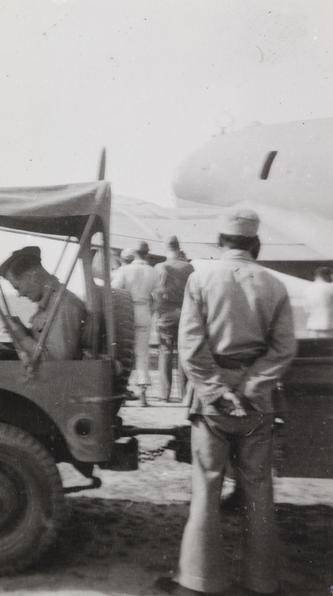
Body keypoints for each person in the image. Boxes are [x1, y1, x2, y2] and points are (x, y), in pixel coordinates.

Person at [157, 208, 296, 596]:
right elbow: (283, 349)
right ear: (256, 245)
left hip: (211, 404)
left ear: (221, 243)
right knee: (258, 490)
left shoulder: (201, 279)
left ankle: (200, 582)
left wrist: (217, 391)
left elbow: (190, 346)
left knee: (207, 487)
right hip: (258, 404)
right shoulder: (275, 285)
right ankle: (262, 582)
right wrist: (251, 385)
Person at [111, 240, 158, 405]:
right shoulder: (153, 271)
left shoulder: (124, 270)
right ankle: (143, 395)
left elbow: (115, 290)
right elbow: (159, 297)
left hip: (127, 312)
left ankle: (122, 390)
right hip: (144, 310)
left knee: (124, 352)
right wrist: (151, 311)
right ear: (147, 253)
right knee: (142, 354)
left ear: (134, 253)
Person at [153, 236, 194, 402]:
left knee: (165, 351)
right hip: (185, 312)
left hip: (165, 313)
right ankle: (184, 394)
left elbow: (157, 291)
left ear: (165, 248)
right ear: (179, 247)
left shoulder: (160, 267)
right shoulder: (189, 267)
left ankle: (165, 394)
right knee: (184, 353)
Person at [302, 265, 333, 338]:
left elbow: (307, 310)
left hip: (312, 326)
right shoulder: (330, 287)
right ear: (327, 275)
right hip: (328, 326)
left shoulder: (307, 289)